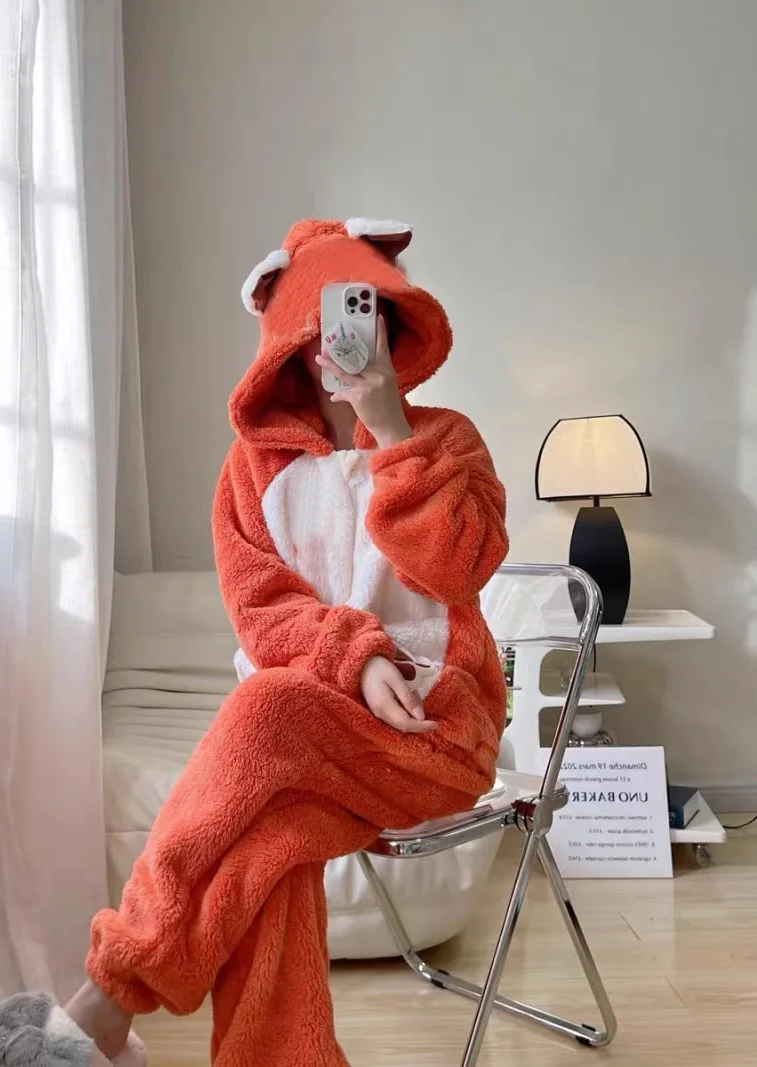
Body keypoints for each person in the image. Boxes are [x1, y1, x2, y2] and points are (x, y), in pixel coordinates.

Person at [66, 217, 509, 1066]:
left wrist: (391, 430)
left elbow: (460, 565)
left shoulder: (448, 440)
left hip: (433, 735)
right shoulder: (250, 472)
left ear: (392, 323)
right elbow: (262, 613)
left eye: (364, 314)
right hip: (307, 751)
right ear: (288, 345)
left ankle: (111, 992)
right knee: (268, 847)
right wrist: (359, 658)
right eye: (321, 326)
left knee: (265, 707)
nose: (340, 341)